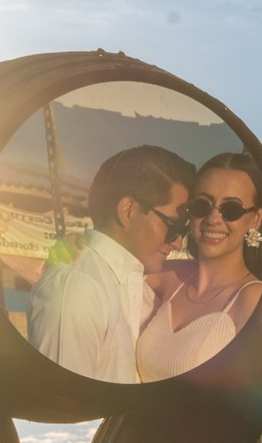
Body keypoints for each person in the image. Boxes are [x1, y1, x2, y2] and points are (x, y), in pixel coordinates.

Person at [26, 145, 194, 383]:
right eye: (174, 227)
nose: (178, 243)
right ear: (127, 210)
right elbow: (68, 411)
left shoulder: (142, 286)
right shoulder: (77, 287)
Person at [138, 152, 262, 381]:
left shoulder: (251, 297)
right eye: (202, 205)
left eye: (231, 209)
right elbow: (116, 269)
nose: (213, 218)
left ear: (256, 219)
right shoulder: (173, 275)